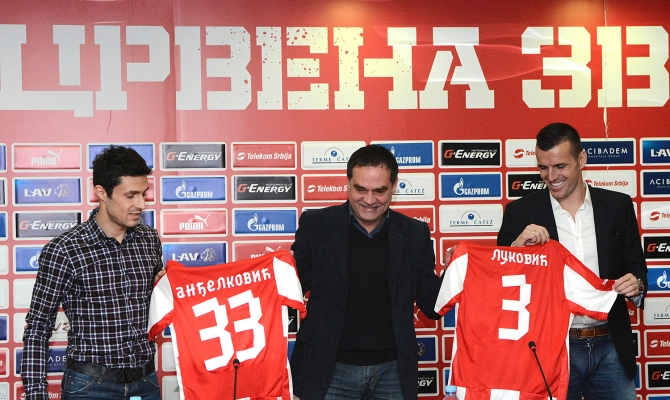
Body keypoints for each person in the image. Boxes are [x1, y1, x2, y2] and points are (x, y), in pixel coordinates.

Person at [497, 122, 647, 400]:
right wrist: (516, 248)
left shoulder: (618, 206)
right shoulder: (520, 213)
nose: (551, 176)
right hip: (551, 347)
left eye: (560, 166)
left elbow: (636, 267)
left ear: (581, 159)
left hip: (611, 345)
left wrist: (636, 284)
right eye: (543, 168)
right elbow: (500, 281)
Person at [290, 144, 443, 400]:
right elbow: (291, 292)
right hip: (327, 370)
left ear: (394, 186)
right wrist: (282, 272)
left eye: (379, 191)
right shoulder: (316, 226)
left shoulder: (414, 234)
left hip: (393, 373)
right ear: (347, 183)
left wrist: (455, 270)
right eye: (361, 189)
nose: (369, 200)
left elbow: (432, 305)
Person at [22, 145, 163, 400]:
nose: (141, 204)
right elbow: (38, 327)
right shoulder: (64, 250)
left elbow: (155, 300)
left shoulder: (149, 239)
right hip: (89, 386)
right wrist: (35, 394)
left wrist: (164, 287)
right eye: (130, 195)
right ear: (101, 192)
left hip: (145, 382)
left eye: (144, 194)